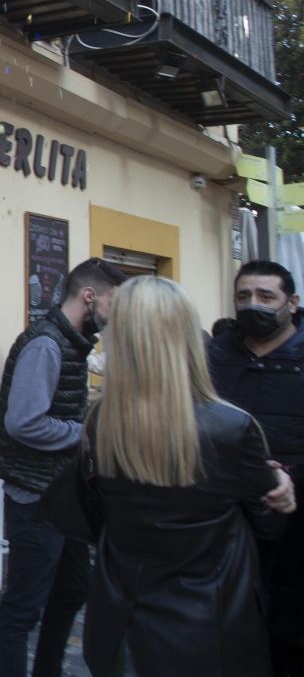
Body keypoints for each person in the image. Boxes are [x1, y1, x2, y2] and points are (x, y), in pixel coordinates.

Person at [81, 275, 296, 676]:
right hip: (206, 632)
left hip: (120, 627)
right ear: (185, 335)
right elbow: (268, 523)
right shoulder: (231, 427)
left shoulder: (101, 422)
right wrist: (278, 484)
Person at [0, 257, 127, 677]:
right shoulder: (47, 344)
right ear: (90, 297)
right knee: (22, 609)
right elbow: (23, 422)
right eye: (113, 303)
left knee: (73, 588)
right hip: (35, 498)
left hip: (59, 493)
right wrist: (87, 432)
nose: (116, 315)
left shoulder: (70, 342)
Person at [208, 260, 304, 675]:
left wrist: (292, 478)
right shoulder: (212, 357)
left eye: (266, 297)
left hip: (295, 530)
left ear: (292, 302)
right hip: (225, 523)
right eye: (244, 296)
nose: (254, 305)